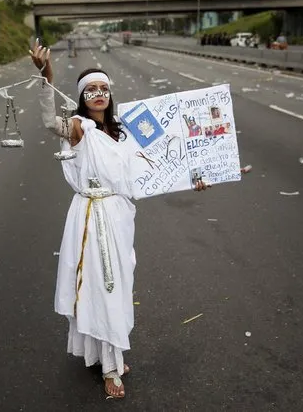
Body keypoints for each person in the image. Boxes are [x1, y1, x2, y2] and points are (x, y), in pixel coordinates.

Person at [29, 39, 209, 399]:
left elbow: (163, 161)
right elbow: (51, 121)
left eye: (104, 88)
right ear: (82, 97)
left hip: (120, 215)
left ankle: (106, 350)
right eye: (91, 89)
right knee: (103, 286)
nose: (98, 93)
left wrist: (194, 177)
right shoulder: (80, 128)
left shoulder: (125, 131)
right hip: (91, 215)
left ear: (110, 94)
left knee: (118, 284)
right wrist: (46, 77)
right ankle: (111, 367)